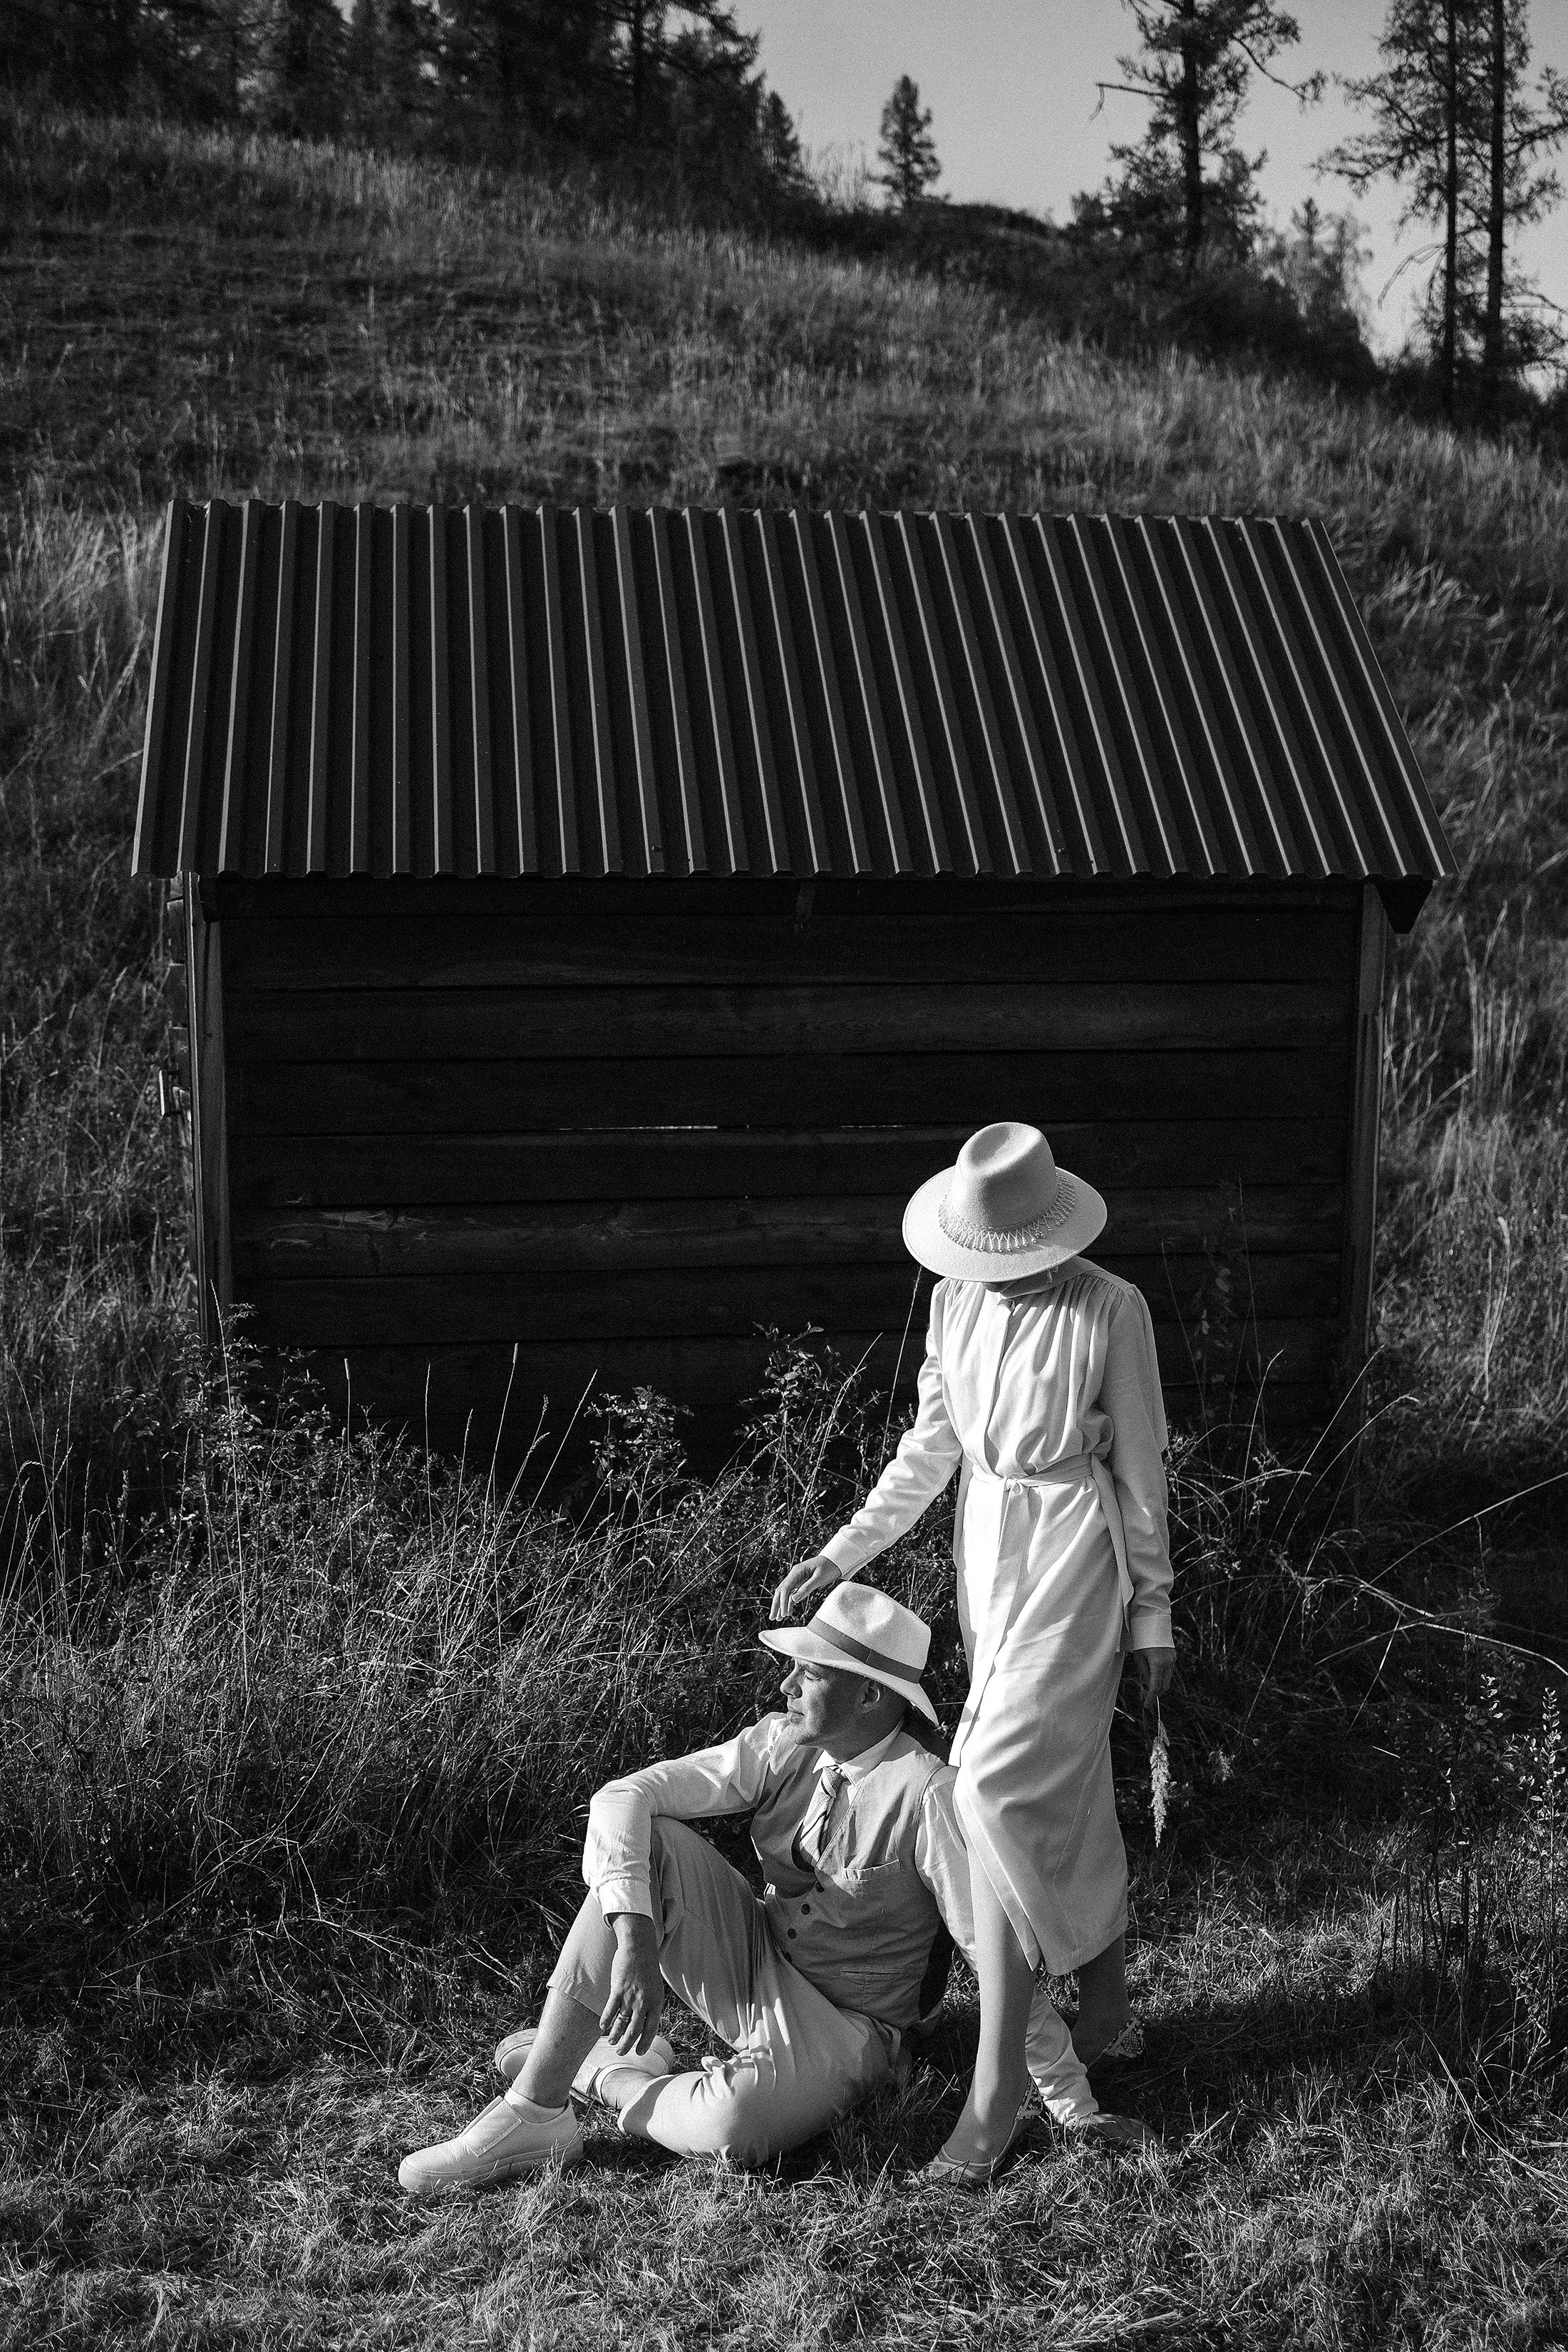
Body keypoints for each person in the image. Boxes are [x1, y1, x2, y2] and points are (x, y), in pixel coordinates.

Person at [397, 1584, 1149, 2194]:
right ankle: (534, 2110)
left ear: (868, 1699)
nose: (787, 1684)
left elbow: (998, 1957)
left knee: (732, 2132)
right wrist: (636, 1937)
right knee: (647, 1838)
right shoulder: (780, 1744)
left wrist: (1072, 2107)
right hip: (758, 1964)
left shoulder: (929, 1796)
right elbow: (623, 1797)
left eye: (811, 1673)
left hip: (851, 2029)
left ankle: (608, 2075)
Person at [771, 1121, 1176, 2184]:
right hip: (987, 1551)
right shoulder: (955, 1303)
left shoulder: (1110, 1309)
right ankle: (1105, 2001)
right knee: (1065, 1774)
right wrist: (839, 1550)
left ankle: (999, 2099)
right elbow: (929, 1452)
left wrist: (1153, 1617)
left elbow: (1141, 1475)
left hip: (1079, 1558)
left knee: (987, 1787)